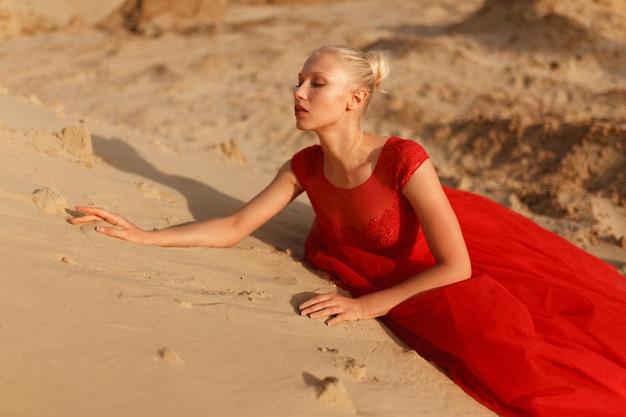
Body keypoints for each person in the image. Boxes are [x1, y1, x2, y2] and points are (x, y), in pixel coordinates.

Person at [70, 44, 626, 416]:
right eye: (299, 82)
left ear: (355, 99)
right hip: (378, 264)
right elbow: (233, 227)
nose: (300, 93)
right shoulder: (302, 168)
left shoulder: (404, 158)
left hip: (445, 256)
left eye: (317, 84)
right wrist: (143, 235)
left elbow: (457, 266)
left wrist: (369, 307)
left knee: (515, 341)